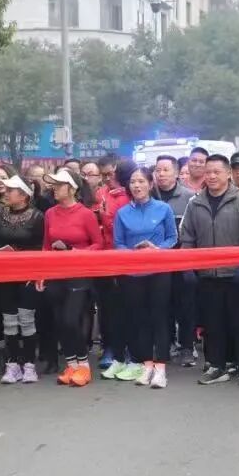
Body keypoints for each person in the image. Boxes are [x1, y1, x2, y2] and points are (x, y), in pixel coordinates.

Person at [179, 154, 239, 386]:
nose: (212, 176)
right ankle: (216, 365)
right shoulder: (195, 203)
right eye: (208, 172)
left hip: (236, 275)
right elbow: (188, 238)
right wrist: (188, 268)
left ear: (227, 174)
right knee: (212, 324)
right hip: (207, 276)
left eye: (217, 172)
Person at [113, 167, 178, 388]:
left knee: (159, 317)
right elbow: (118, 243)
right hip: (132, 273)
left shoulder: (163, 208)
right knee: (139, 319)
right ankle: (146, 365)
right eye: (133, 182)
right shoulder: (122, 213)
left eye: (141, 181)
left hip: (159, 271)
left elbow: (172, 238)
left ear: (150, 184)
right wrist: (133, 253)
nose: (137, 185)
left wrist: (156, 249)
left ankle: (161, 368)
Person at [38, 169, 101, 386]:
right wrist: (41, 274)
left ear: (72, 189)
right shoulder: (50, 213)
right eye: (53, 185)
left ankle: (84, 366)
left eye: (59, 185)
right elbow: (46, 246)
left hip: (79, 274)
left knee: (71, 320)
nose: (54, 189)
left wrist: (75, 252)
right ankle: (72, 365)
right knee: (59, 322)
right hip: (56, 274)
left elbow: (98, 244)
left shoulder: (86, 214)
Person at [0, 175, 45, 384]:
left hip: (27, 274)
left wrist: (22, 254)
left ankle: (29, 364)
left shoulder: (37, 217)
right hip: (5, 273)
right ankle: (12, 364)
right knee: (9, 321)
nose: (6, 193)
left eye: (10, 190)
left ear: (23, 195)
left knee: (27, 320)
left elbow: (41, 246)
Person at [153, 155, 197, 367]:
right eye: (158, 170)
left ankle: (187, 346)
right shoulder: (149, 196)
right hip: (156, 262)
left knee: (185, 305)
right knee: (162, 305)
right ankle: (167, 343)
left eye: (165, 170)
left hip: (182, 260)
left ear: (177, 173)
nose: (161, 174)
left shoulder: (189, 198)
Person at [96, 160, 133, 376]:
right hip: (104, 258)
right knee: (107, 306)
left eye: (111, 173)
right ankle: (109, 347)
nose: (108, 178)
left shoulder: (130, 195)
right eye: (104, 175)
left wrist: (107, 217)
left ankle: (128, 348)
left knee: (127, 305)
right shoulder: (101, 194)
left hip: (126, 255)